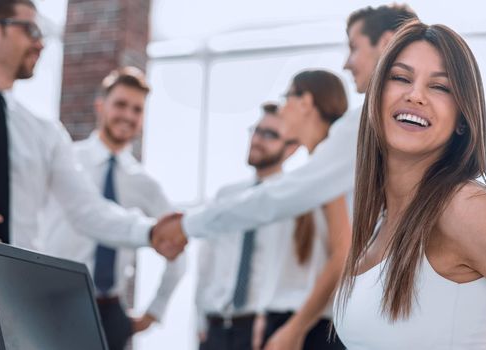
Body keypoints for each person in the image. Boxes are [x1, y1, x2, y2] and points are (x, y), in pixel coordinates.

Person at [0, 1, 182, 347]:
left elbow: (88, 209)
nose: (41, 43)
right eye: (30, 30)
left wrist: (149, 232)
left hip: (18, 302)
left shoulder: (45, 133)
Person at [152, 4, 417, 251]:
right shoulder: (409, 121)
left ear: (385, 43)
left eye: (354, 47)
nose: (346, 63)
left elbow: (285, 195)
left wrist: (189, 225)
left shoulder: (369, 123)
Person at [333, 20, 486, 349]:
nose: (415, 95)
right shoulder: (380, 221)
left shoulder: (467, 208)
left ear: (461, 119)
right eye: (400, 78)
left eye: (440, 87)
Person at [41, 67, 185, 350]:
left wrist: (155, 310)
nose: (128, 116)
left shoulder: (145, 183)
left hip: (110, 313)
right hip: (53, 304)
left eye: (137, 109)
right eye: (120, 105)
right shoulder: (66, 160)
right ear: (100, 106)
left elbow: (178, 242)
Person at [254, 71, 350, 350]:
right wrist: (265, 311)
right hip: (287, 320)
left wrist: (296, 328)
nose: (283, 108)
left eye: (287, 97)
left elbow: (342, 255)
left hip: (311, 328)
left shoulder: (328, 171)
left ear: (306, 102)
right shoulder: (310, 173)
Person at [195, 103, 300, 350]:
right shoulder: (226, 197)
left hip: (261, 330)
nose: (257, 140)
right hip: (215, 328)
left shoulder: (294, 202)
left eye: (270, 135)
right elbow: (206, 264)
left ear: (292, 148)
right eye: (256, 130)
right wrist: (199, 321)